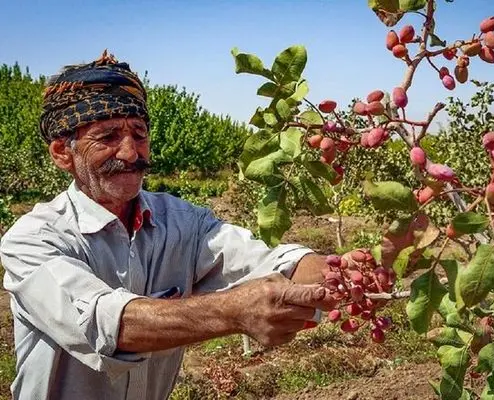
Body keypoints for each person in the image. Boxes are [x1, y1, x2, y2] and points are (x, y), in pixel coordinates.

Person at [0, 50, 339, 400]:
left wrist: (339, 271)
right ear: (62, 153)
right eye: (107, 137)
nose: (131, 153)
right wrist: (234, 311)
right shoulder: (32, 239)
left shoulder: (184, 223)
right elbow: (108, 324)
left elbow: (268, 261)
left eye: (139, 134)